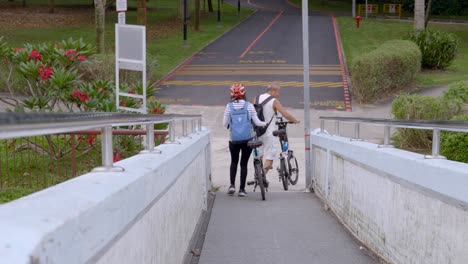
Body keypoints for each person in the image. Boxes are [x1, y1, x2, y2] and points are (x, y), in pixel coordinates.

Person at [223, 83, 266, 197]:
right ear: (244, 93)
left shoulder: (229, 106)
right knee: (244, 164)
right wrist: (265, 123)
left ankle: (232, 186)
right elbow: (257, 122)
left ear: (232, 94)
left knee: (234, 162)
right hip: (247, 139)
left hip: (234, 140)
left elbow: (224, 124)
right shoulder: (249, 106)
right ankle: (242, 189)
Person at [254, 83, 300, 181]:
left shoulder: (256, 98)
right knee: (270, 156)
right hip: (270, 133)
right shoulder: (274, 101)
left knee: (259, 155)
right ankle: (261, 177)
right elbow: (285, 114)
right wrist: (295, 120)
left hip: (257, 131)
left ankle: (257, 172)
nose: (278, 94)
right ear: (273, 91)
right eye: (278, 92)